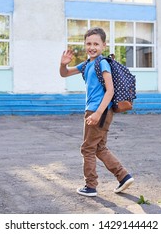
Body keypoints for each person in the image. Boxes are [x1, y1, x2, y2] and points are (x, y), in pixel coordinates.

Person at [59, 27, 134, 197]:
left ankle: (90, 186)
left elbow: (110, 91)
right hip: (97, 111)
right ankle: (123, 176)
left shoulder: (102, 63)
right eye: (88, 43)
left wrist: (98, 113)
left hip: (97, 111)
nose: (92, 47)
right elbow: (65, 74)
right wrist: (63, 64)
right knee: (99, 147)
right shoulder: (86, 64)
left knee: (87, 148)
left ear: (104, 46)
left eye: (96, 44)